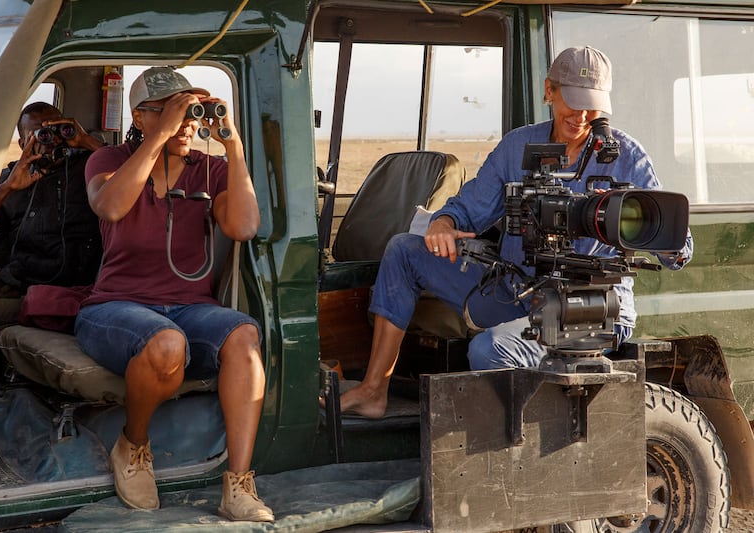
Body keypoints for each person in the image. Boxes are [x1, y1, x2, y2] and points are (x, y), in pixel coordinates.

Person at [338, 46, 694, 419]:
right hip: (516, 286)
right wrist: (444, 223)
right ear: (549, 91)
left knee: (488, 351)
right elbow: (469, 207)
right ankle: (374, 389)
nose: (582, 115)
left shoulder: (628, 157)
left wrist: (639, 229)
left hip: (588, 309)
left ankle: (525, 446)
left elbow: (678, 248)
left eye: (592, 105)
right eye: (572, 101)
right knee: (404, 250)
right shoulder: (517, 147)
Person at [75, 67, 273, 522]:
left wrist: (234, 147)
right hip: (115, 307)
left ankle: (239, 485)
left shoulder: (212, 171)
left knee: (243, 334)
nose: (185, 124)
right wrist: (159, 136)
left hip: (190, 308)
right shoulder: (107, 161)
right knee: (166, 343)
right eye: (169, 112)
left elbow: (242, 227)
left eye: (191, 112)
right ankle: (134, 444)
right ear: (140, 117)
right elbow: (109, 205)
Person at [0, 102, 103, 358]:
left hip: (79, 286)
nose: (51, 141)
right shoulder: (11, 178)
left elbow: (130, 169)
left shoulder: (91, 166)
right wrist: (9, 188)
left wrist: (86, 141)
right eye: (40, 135)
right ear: (23, 143)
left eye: (57, 131)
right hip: (23, 286)